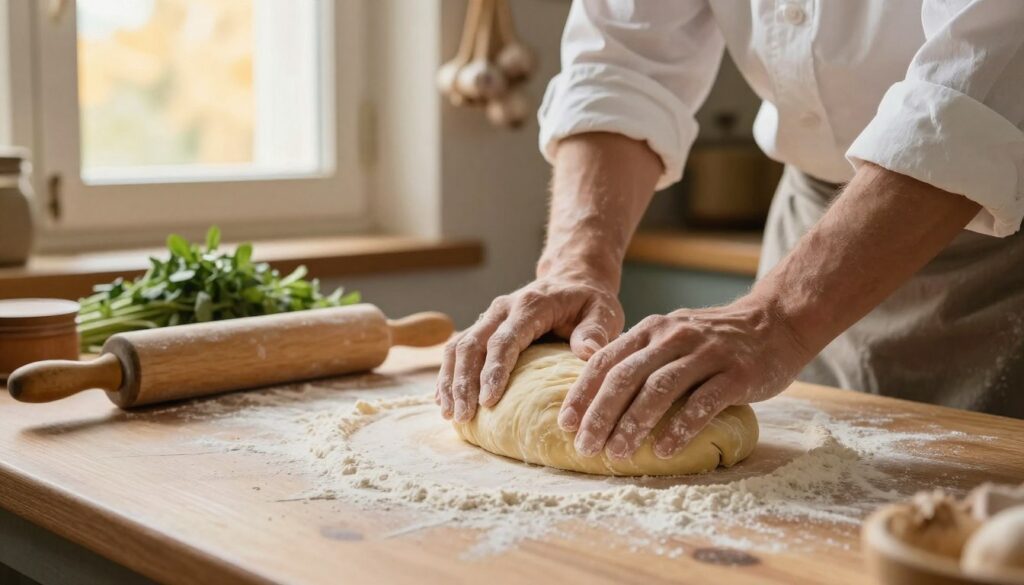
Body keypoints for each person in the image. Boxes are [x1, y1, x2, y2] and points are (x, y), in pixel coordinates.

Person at [436, 1, 1024, 462]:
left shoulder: (778, 321)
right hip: (820, 221)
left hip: (1005, 251)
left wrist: (779, 319)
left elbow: (979, 84)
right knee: (820, 491)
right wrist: (574, 266)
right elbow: (623, 60)